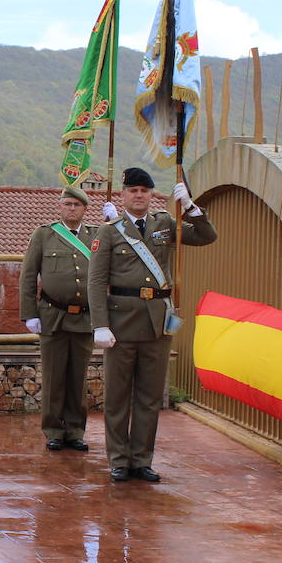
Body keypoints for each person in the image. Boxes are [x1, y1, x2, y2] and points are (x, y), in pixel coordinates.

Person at [88, 167, 216, 482]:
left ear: (150, 194)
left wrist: (190, 208)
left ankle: (141, 459)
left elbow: (205, 236)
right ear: (123, 195)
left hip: (158, 322)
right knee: (118, 396)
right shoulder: (109, 231)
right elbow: (96, 281)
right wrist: (100, 324)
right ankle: (119, 459)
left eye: (145, 190)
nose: (139, 195)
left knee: (148, 396)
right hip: (120, 323)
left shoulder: (165, 223)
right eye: (133, 190)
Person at [20, 185, 110, 452]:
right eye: (67, 204)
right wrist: (29, 314)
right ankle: (53, 430)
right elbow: (28, 275)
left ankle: (75, 430)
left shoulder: (97, 234)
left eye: (77, 205)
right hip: (53, 316)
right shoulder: (44, 235)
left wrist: (114, 221)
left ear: (85, 209)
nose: (72, 209)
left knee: (78, 376)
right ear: (60, 207)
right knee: (53, 376)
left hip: (84, 317)